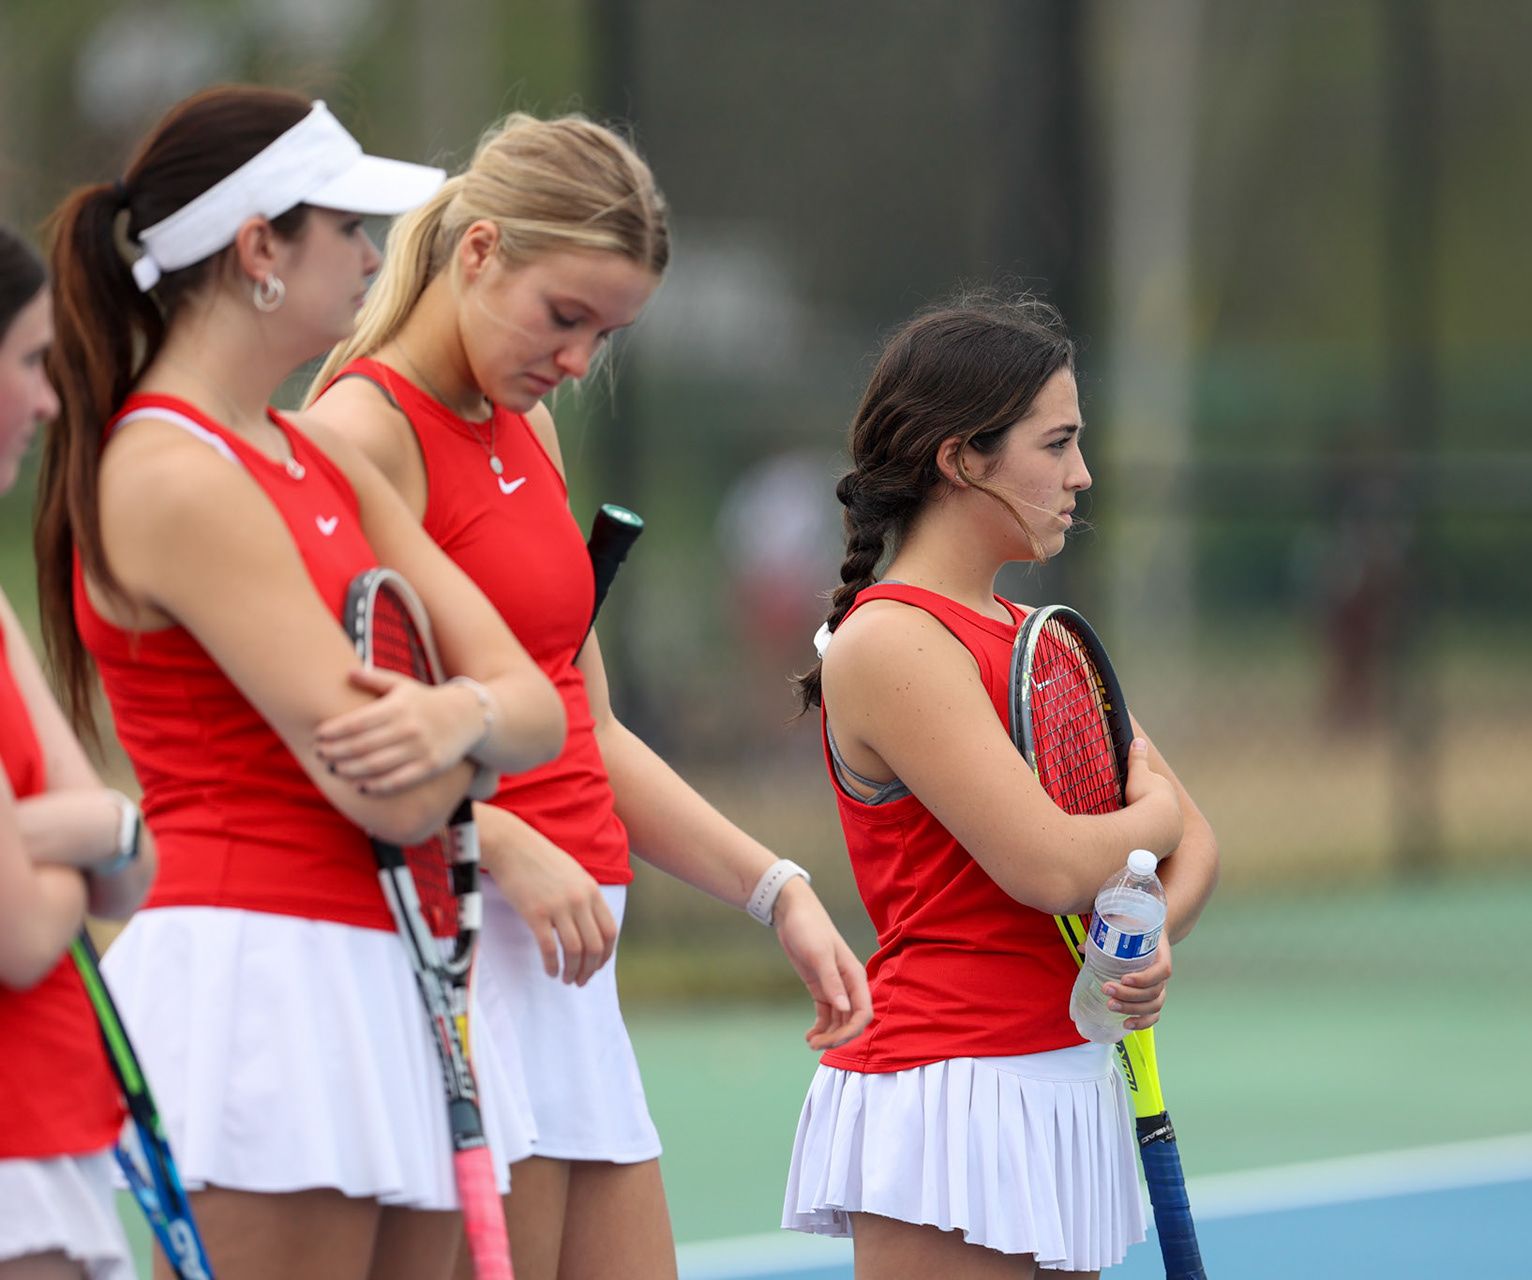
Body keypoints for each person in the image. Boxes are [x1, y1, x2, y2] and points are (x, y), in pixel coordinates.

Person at [300, 112, 873, 1280]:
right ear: (478, 251)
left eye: (604, 335)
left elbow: (587, 725)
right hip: (469, 956)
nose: (576, 361)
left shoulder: (531, 425)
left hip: (573, 966)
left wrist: (778, 889)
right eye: (565, 316)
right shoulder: (359, 430)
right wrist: (495, 837)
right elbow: (319, 733)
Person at [37, 87, 567, 1280]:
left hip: (388, 965)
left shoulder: (314, 445)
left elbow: (536, 703)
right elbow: (390, 790)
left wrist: (460, 719)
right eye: (348, 229)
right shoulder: (170, 472)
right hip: (264, 987)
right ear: (258, 250)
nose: (376, 258)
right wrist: (478, 736)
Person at [783, 294, 1218, 1278]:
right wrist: (1151, 817)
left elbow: (1198, 851)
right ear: (962, 459)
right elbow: (1053, 867)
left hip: (1065, 1071)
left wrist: (1141, 941)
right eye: (1056, 443)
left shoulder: (1037, 638)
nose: (1082, 473)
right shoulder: (892, 639)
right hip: (953, 1087)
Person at [0, 222, 158, 1280]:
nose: (50, 400)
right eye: (27, 362)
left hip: (57, 1132)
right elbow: (19, 933)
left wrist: (58, 830)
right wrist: (89, 831)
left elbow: (130, 862)